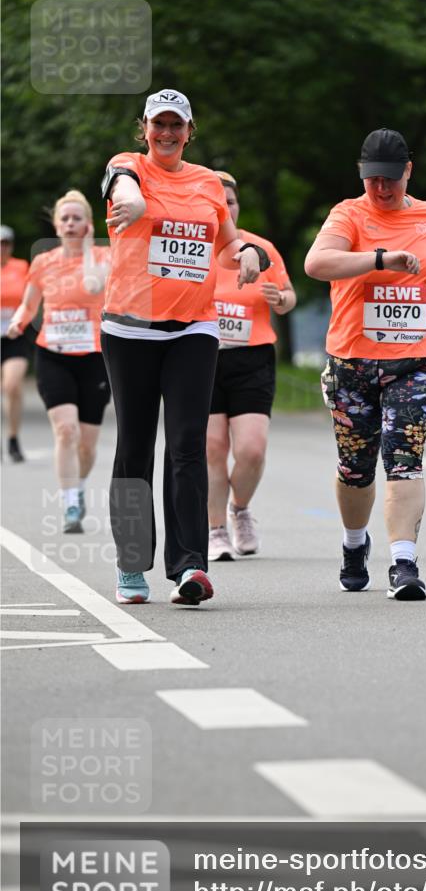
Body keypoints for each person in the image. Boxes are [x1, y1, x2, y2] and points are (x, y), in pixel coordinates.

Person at [305, 128, 426, 600]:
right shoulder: (348, 215)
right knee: (355, 468)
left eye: (391, 178)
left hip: (416, 360)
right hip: (352, 361)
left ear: (408, 171)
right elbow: (317, 263)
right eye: (373, 178)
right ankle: (355, 544)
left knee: (404, 459)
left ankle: (404, 563)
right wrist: (380, 260)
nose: (382, 188)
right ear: (361, 174)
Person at [100, 88, 269, 606]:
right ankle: (132, 563)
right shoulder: (129, 167)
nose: (168, 133)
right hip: (131, 329)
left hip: (194, 329)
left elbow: (227, 241)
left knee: (188, 445)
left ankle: (190, 565)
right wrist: (131, 198)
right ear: (145, 129)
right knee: (134, 446)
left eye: (177, 125)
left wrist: (249, 253)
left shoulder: (207, 182)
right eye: (159, 124)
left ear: (190, 131)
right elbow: (120, 182)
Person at [6, 193, 111, 531]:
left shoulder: (104, 257)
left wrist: (89, 251)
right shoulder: (43, 262)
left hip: (95, 356)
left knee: (87, 444)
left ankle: (78, 485)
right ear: (55, 225)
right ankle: (69, 503)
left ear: (88, 224)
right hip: (53, 353)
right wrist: (18, 321)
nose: (70, 223)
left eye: (77, 218)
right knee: (66, 430)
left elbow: (97, 286)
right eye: (64, 218)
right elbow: (29, 304)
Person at [207, 171, 296, 561]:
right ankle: (215, 530)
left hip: (253, 356)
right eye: (217, 202)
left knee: (252, 450)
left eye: (230, 202)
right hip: (202, 358)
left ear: (237, 206)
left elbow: (289, 296)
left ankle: (239, 509)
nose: (224, 208)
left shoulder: (261, 248)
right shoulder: (192, 248)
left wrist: (281, 300)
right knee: (212, 449)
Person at [1, 225, 30, 462]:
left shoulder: (21, 267)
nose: (2, 248)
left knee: (11, 386)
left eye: (5, 243)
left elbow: (31, 299)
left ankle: (12, 438)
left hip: (14, 336)